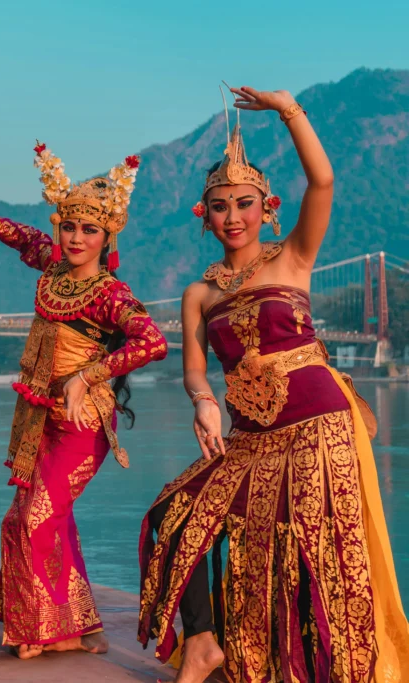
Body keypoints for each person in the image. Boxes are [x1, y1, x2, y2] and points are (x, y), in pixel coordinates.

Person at [136, 85, 409, 683]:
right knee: (174, 514)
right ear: (203, 216)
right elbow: (192, 368)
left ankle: (332, 665)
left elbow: (324, 184)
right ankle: (205, 641)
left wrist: (289, 110)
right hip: (251, 435)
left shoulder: (295, 258)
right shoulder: (198, 295)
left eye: (244, 204)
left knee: (317, 551)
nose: (233, 217)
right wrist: (202, 402)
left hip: (319, 423)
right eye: (220, 206)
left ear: (268, 207)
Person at [0, 142, 167, 660]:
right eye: (69, 227)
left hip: (82, 423)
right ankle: (76, 626)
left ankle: (50, 629)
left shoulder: (109, 293)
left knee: (33, 520)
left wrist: (88, 374)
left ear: (107, 236)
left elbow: (153, 342)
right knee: (40, 519)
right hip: (38, 417)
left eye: (89, 230)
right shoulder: (53, 269)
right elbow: (28, 240)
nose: (76, 237)